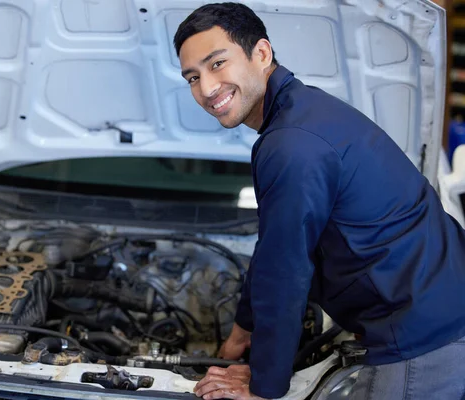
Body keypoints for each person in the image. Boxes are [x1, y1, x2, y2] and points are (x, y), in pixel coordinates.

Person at [173, 3, 465, 400]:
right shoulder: (302, 112)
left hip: (423, 339)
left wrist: (263, 388)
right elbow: (274, 245)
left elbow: (286, 270)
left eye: (217, 63)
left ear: (261, 53)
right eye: (193, 76)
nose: (206, 88)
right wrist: (241, 333)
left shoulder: (292, 143)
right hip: (435, 307)